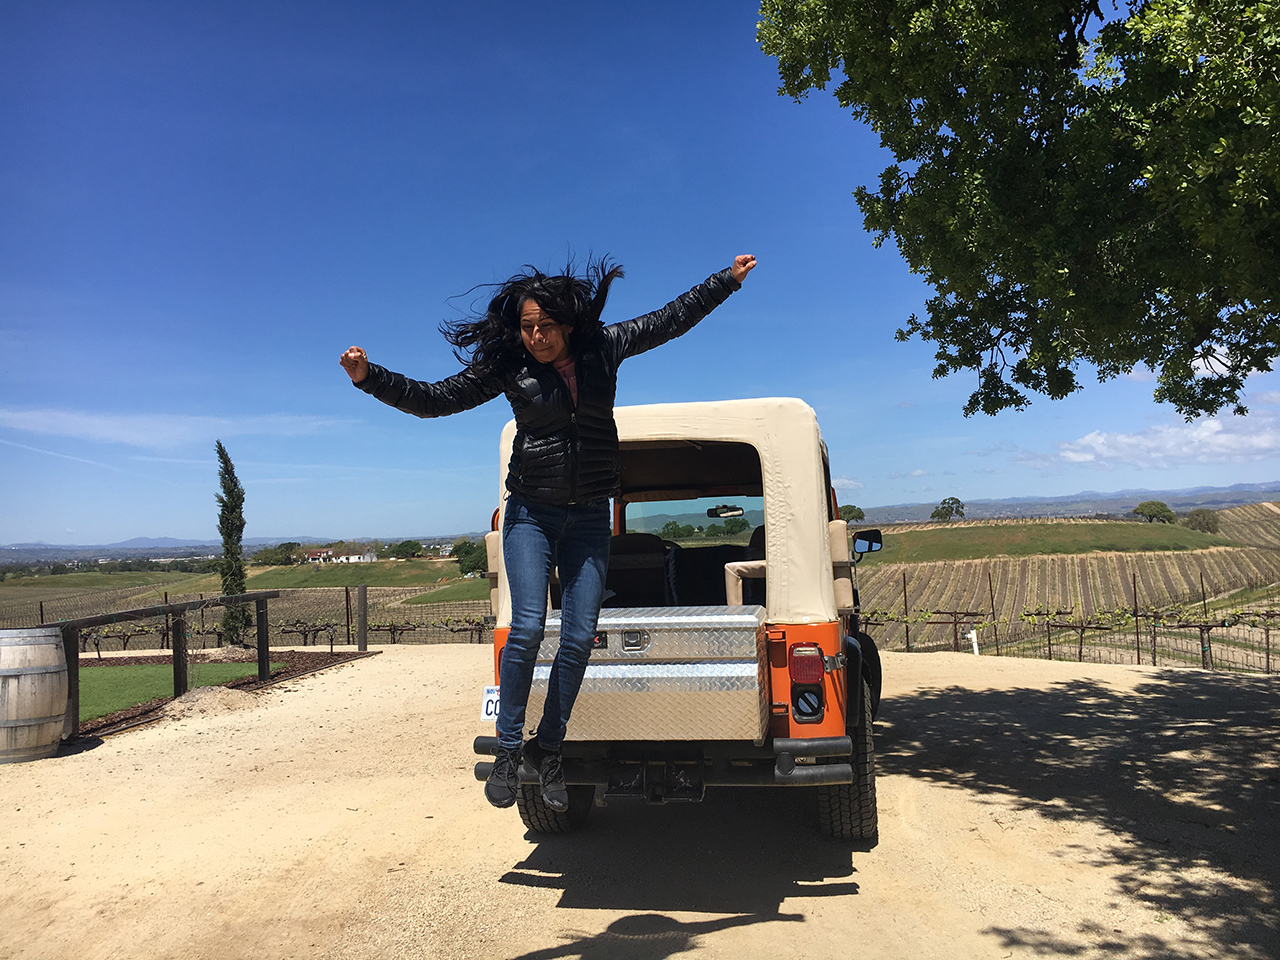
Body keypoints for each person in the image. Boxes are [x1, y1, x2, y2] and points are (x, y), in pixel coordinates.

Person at [340, 253, 757, 811]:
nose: (535, 336)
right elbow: (438, 399)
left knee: (581, 635)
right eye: (527, 327)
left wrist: (723, 282)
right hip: (531, 513)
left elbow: (668, 319)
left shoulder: (603, 348)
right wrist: (371, 379)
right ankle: (509, 752)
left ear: (567, 324)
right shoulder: (510, 368)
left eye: (545, 326)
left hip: (587, 516)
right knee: (530, 626)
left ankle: (549, 748)